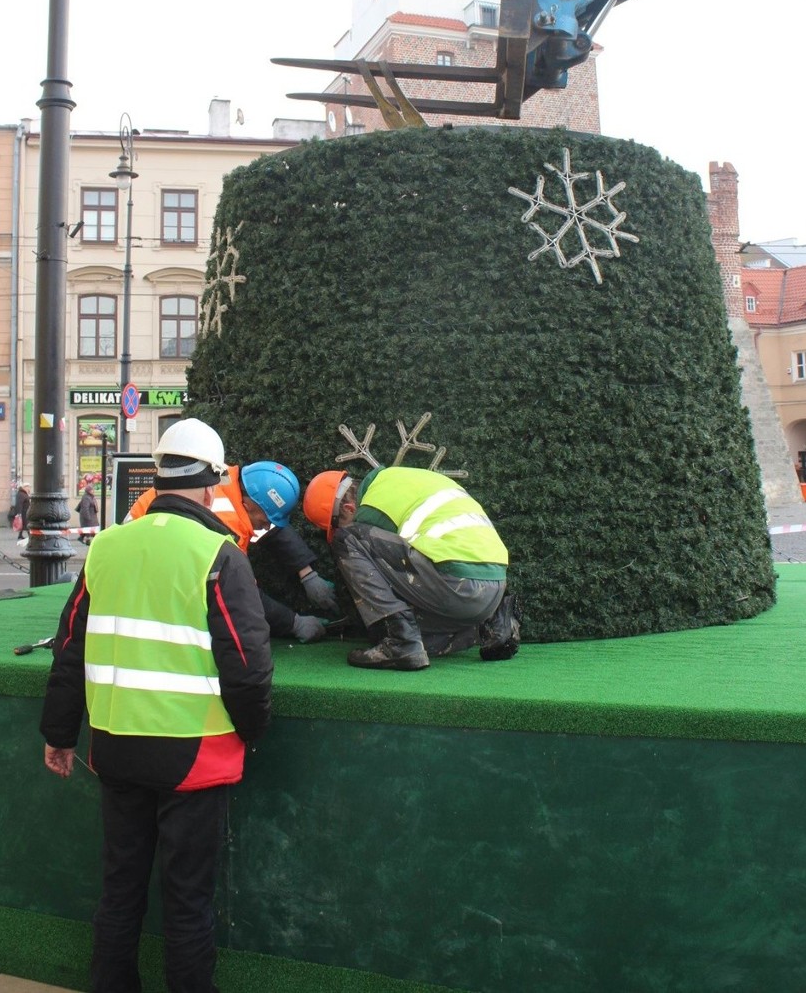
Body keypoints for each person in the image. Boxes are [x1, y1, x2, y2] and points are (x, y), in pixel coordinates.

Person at [40, 417, 273, 993]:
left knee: (120, 890)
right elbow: (248, 667)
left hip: (117, 750)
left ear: (158, 475)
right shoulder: (217, 553)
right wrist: (253, 731)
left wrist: (59, 735)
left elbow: (69, 646)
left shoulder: (108, 546)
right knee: (188, 903)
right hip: (195, 757)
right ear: (214, 482)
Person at [303, 466, 521, 671]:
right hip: (492, 591)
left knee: (347, 540)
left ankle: (401, 643)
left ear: (350, 509)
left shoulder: (371, 508)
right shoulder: (402, 480)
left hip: (454, 580)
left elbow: (383, 572)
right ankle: (492, 627)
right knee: (420, 640)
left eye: (336, 524)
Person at [127, 452, 339, 643]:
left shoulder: (232, 480)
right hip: (142, 573)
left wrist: (307, 573)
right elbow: (243, 593)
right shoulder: (227, 526)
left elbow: (271, 528)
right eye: (266, 520)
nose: (267, 526)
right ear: (247, 507)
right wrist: (294, 623)